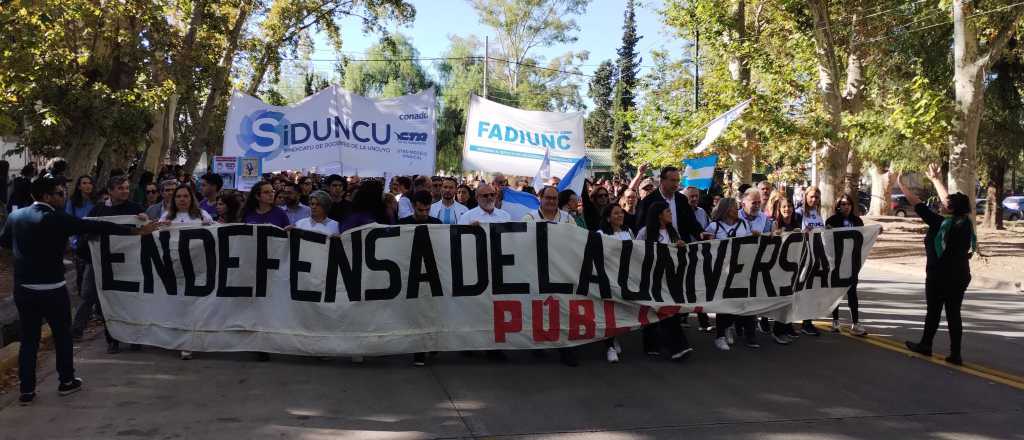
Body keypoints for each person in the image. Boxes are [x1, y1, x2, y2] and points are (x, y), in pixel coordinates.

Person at [1, 178, 160, 405]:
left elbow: (5, 242)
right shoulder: (58, 218)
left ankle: (26, 391)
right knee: (63, 336)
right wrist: (136, 231)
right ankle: (66, 381)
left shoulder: (15, 217)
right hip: (53, 289)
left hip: (24, 289)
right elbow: (97, 227)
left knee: (29, 340)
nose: (63, 197)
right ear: (47, 197)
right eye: (59, 193)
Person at [900, 165, 975, 366]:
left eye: (946, 203)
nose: (942, 203)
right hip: (960, 275)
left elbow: (916, 203)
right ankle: (955, 353)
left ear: (950, 208)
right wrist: (935, 179)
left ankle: (926, 345)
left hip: (939, 276)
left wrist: (900, 184)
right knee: (953, 313)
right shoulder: (965, 222)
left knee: (933, 311)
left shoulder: (940, 223)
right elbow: (949, 201)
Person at [72, 176, 148, 352]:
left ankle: (135, 337)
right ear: (110, 191)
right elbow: (85, 232)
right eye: (121, 188)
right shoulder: (97, 211)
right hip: (99, 264)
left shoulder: (135, 209)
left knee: (130, 301)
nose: (125, 191)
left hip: (128, 265)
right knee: (102, 300)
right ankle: (111, 339)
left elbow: (146, 230)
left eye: (127, 188)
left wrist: (144, 218)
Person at [633, 202, 694, 362]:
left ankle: (665, 345)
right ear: (659, 214)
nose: (671, 213)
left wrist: (681, 246)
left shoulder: (673, 232)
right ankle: (676, 346)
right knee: (659, 311)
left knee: (667, 311)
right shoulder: (645, 232)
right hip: (652, 278)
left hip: (670, 279)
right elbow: (636, 252)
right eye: (668, 211)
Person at [160, 185, 212, 360]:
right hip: (175, 270)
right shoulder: (167, 217)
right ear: (174, 200)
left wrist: (209, 226)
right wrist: (161, 226)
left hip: (198, 269)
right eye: (179, 196)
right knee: (179, 306)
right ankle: (180, 340)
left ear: (191, 198)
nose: (182, 199)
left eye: (186, 196)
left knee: (195, 307)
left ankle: (191, 342)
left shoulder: (203, 215)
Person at [703, 198, 759, 350]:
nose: (737, 210)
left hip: (742, 270)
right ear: (727, 209)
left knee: (744, 302)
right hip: (722, 272)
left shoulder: (744, 224)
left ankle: (748, 334)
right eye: (735, 207)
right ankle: (720, 335)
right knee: (724, 303)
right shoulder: (714, 226)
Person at [825, 193, 867, 336]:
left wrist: (876, 231)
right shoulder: (831, 221)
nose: (846, 206)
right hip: (837, 262)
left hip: (851, 263)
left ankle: (855, 323)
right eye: (843, 204)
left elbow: (864, 237)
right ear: (838, 206)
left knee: (852, 292)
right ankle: (835, 321)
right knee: (836, 292)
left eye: (848, 204)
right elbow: (827, 241)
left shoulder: (857, 221)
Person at [597, 204, 632, 363]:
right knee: (608, 313)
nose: (620, 216)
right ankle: (609, 346)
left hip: (625, 279)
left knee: (618, 313)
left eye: (621, 213)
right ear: (608, 217)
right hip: (607, 278)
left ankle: (614, 337)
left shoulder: (628, 232)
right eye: (616, 213)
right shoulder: (600, 234)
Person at [635, 166, 704, 243]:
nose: (676, 184)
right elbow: (641, 227)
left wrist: (701, 233)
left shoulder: (682, 199)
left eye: (678, 181)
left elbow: (691, 222)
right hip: (658, 247)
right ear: (661, 181)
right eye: (672, 180)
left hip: (681, 247)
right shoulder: (648, 201)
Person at [797, 186, 825, 336]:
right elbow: (793, 233)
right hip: (801, 257)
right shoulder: (798, 213)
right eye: (811, 196)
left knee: (811, 290)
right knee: (799, 291)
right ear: (805, 196)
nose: (814, 200)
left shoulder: (817, 213)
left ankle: (807, 322)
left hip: (815, 257)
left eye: (817, 197)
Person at [66, 176, 97, 297]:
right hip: (80, 242)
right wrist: (73, 241)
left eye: (90, 183)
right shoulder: (72, 203)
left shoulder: (97, 201)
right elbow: (69, 223)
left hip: (95, 240)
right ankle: (82, 296)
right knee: (81, 272)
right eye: (84, 183)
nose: (88, 185)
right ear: (79, 186)